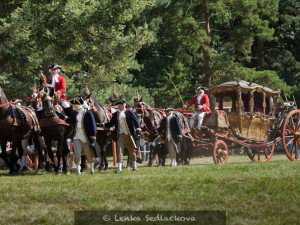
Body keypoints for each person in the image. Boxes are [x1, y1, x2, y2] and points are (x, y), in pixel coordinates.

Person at [97, 99, 142, 173]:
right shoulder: (116, 114)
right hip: (121, 135)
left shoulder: (130, 112)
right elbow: (110, 124)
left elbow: (136, 123)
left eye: (123, 104)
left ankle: (134, 166)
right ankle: (119, 169)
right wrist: (100, 124)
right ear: (118, 106)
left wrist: (138, 132)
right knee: (119, 150)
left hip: (129, 135)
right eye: (120, 105)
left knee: (132, 151)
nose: (122, 106)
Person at [57, 97, 97, 175]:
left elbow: (93, 127)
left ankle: (91, 169)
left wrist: (93, 139)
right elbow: (70, 120)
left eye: (74, 105)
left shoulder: (88, 113)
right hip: (76, 136)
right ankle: (78, 171)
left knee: (89, 154)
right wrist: (61, 116)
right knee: (77, 153)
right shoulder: (75, 113)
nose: (73, 106)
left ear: (79, 105)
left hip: (86, 137)